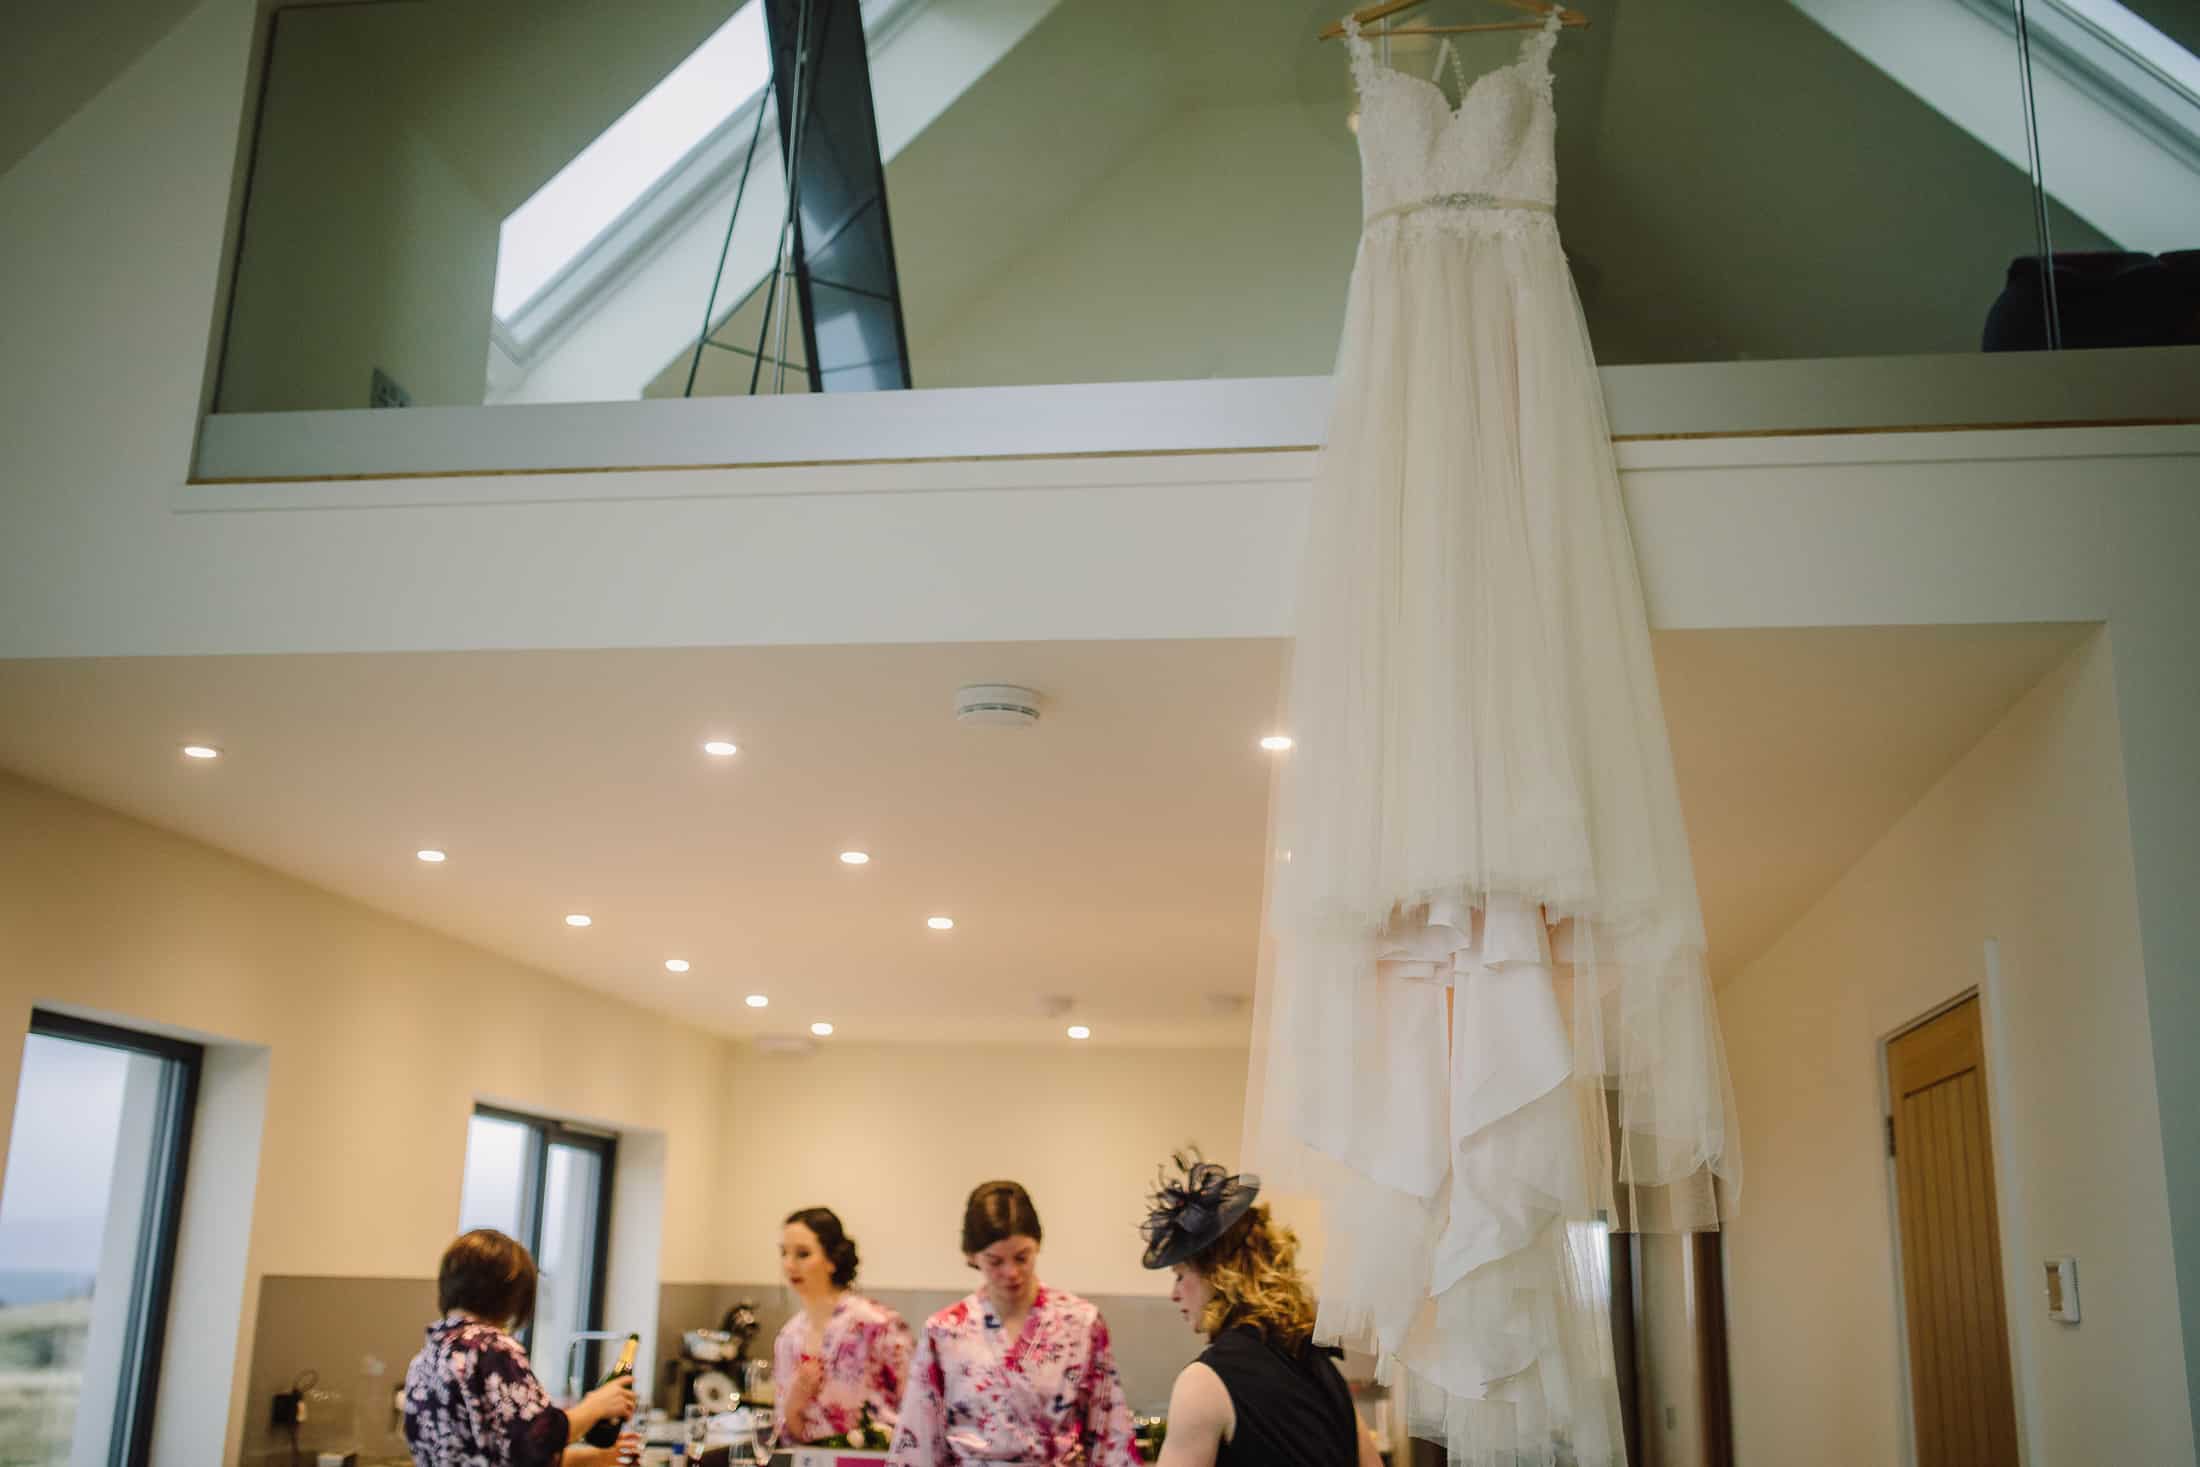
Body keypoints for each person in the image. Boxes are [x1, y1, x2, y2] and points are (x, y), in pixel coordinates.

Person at [1140, 1155, 1383, 1467]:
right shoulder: (1321, 1366)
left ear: (1218, 1274)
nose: (1174, 1294)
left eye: (1180, 1276)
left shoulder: (1203, 1383)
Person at [887, 1180, 1140, 1467]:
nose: (1011, 1272)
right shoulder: (946, 1330)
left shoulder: (1080, 1323)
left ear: (1038, 1246)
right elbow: (920, 1434)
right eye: (995, 1261)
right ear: (972, 1257)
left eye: (1022, 1257)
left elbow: (1109, 1430)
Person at [402, 1229, 639, 1467]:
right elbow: (537, 1439)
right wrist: (595, 1407)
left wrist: (596, 1458)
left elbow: (507, 1454)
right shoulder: (491, 1348)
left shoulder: (426, 1358)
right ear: (512, 1294)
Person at [771, 1206, 914, 1447]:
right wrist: (793, 1404)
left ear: (831, 1260)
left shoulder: (876, 1325)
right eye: (784, 1253)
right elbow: (786, 1432)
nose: (789, 1265)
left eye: (803, 1254)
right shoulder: (789, 1336)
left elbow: (916, 1410)